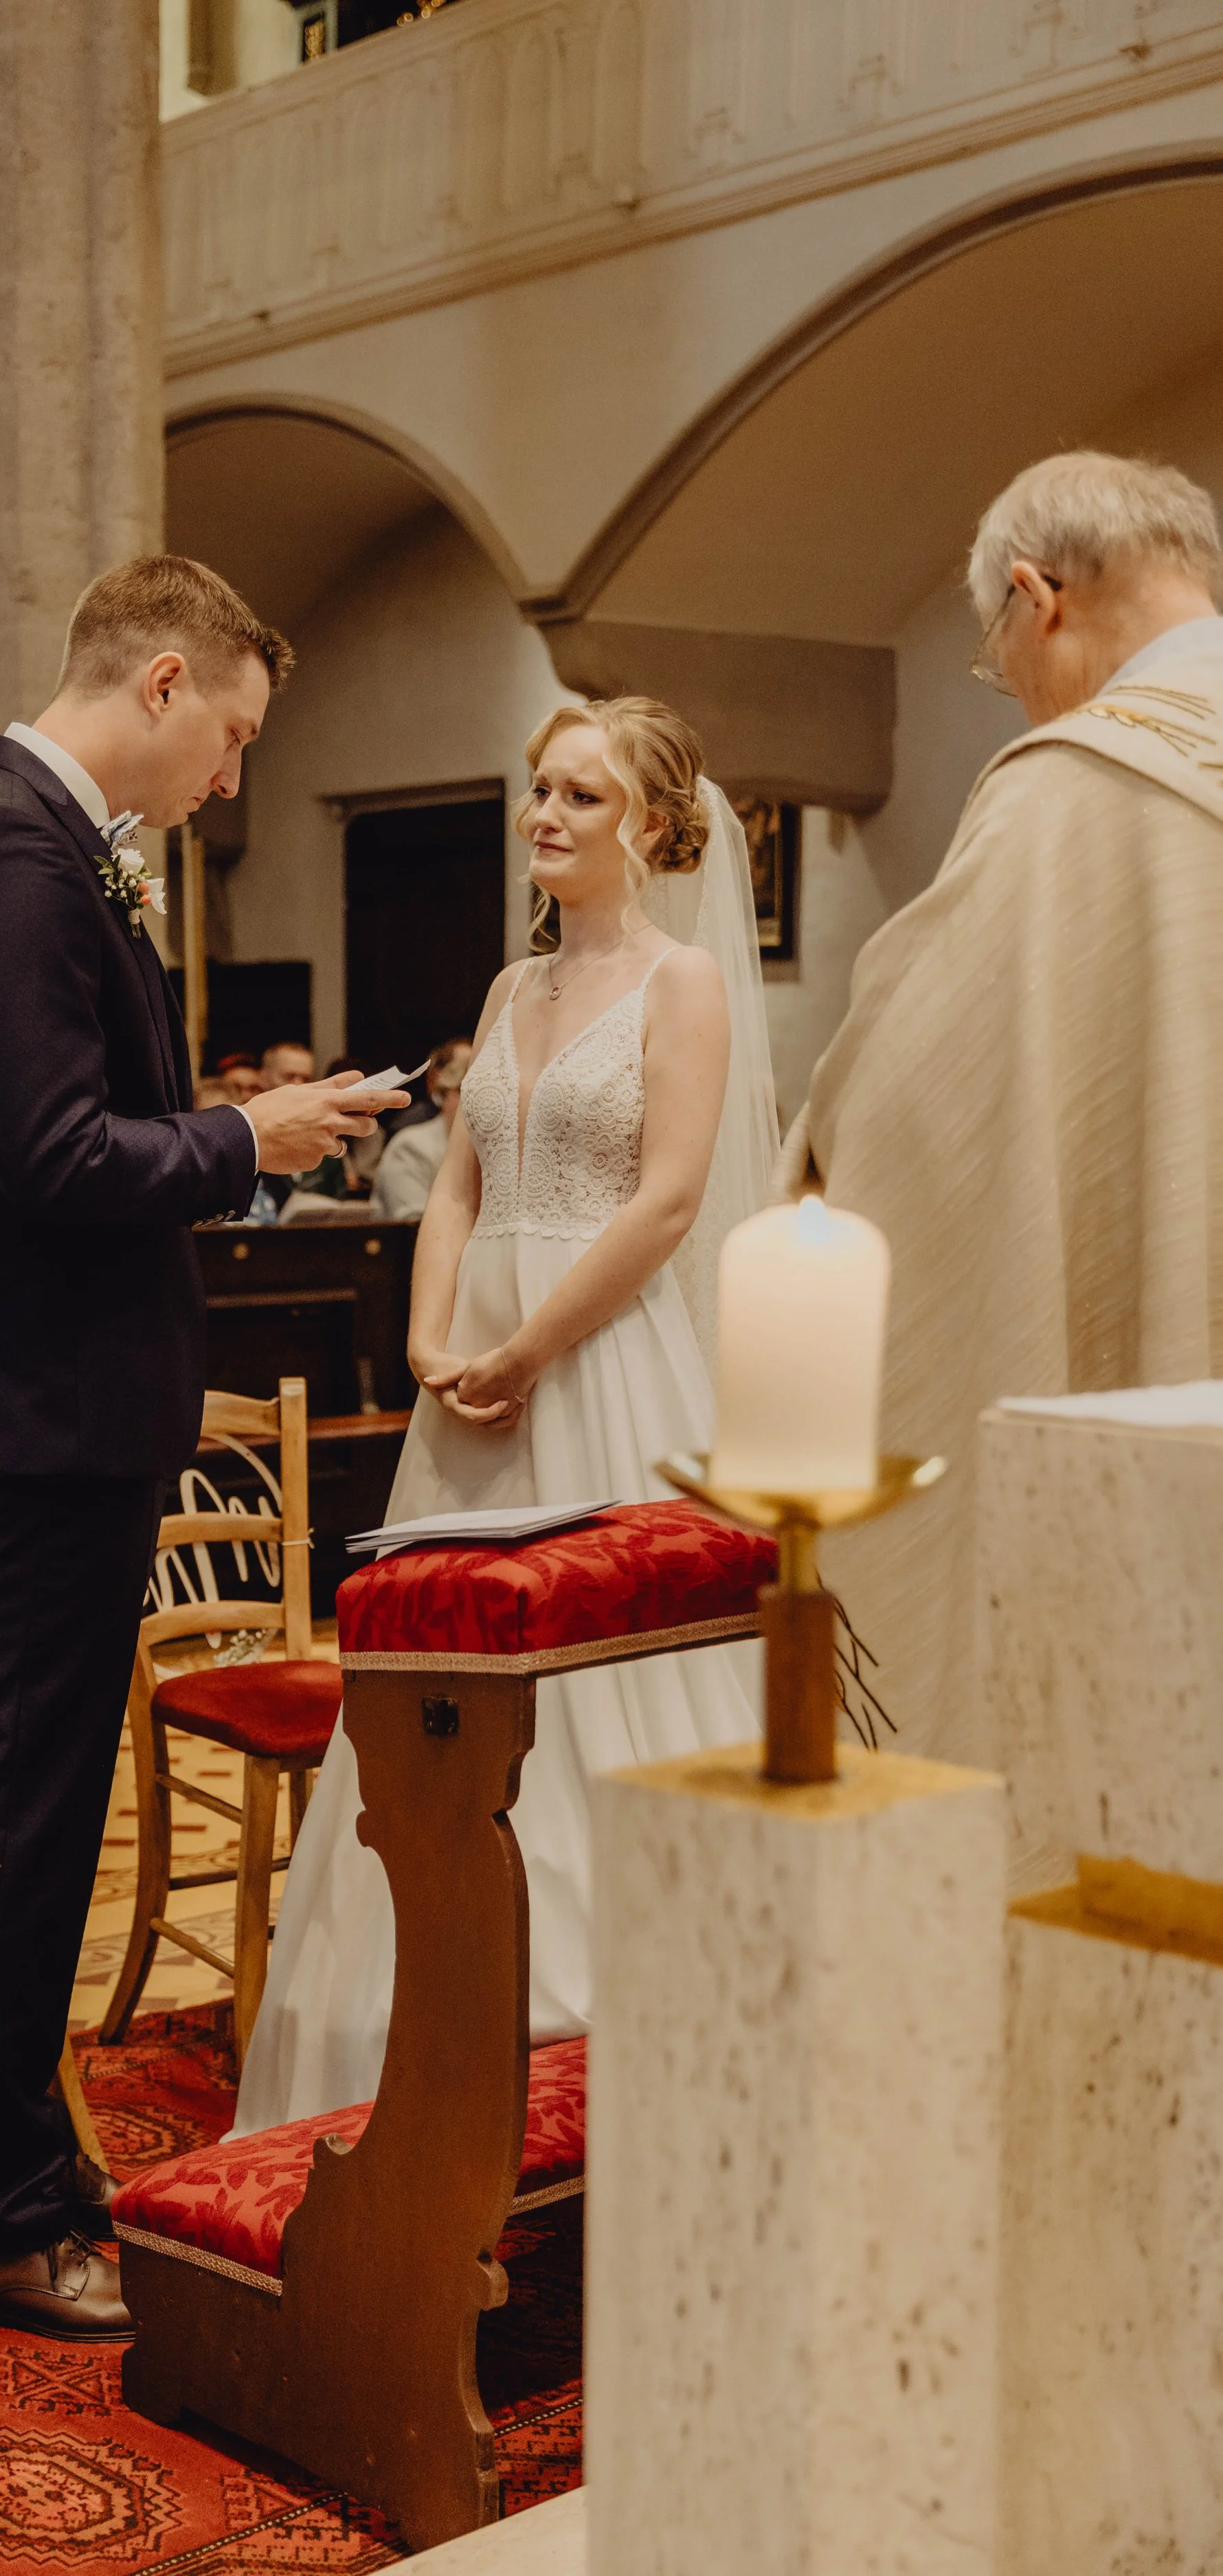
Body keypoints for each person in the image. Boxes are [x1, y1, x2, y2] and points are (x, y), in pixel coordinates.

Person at [0, 554, 407, 2340]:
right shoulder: (4, 855)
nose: (233, 781)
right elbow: (54, 1158)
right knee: (20, 1826)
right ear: (166, 681)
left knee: (33, 1819)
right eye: (239, 738)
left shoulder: (34, 847)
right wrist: (247, 1133)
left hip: (57, 1405)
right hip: (32, 1412)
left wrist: (249, 1126)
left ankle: (19, 2162)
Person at [233, 695, 780, 2134]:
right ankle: (405, 2033)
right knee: (436, 1686)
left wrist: (534, 1340)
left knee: (612, 1682)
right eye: (539, 790)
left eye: (580, 798)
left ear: (652, 829)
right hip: (465, 1375)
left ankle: (617, 2037)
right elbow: (461, 1183)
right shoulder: (505, 991)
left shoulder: (683, 987)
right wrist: (429, 1330)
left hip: (600, 1358)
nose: (543, 816)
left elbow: (665, 1198)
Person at [778, 449, 1223, 1772]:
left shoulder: (1074, 796)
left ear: (1039, 597)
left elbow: (914, 1104)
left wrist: (804, 1172)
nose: (1015, 690)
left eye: (998, 656)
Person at [369, 1038, 473, 1219]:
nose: (473, 1103)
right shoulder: (410, 1147)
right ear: (445, 1095)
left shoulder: (493, 1150)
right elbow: (414, 1223)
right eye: (464, 1091)